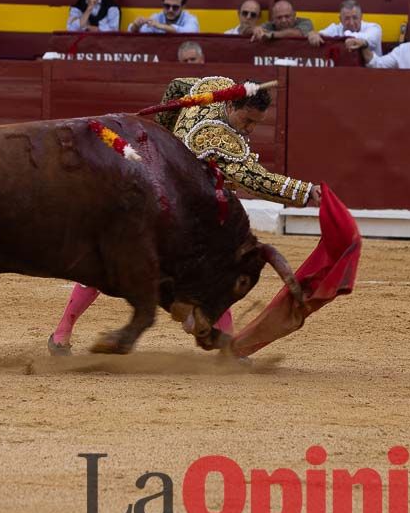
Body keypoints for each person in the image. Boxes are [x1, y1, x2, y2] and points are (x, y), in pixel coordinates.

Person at [47, 74, 319, 354]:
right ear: (231, 106)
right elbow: (254, 179)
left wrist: (161, 138)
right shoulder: (216, 137)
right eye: (247, 120)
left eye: (255, 123)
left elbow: (177, 86)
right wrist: (305, 190)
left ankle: (61, 334)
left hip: (156, 190)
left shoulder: (213, 87)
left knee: (109, 260)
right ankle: (220, 342)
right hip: (175, 210)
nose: (249, 129)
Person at [308, 0, 384, 55]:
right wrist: (313, 34)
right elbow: (319, 34)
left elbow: (368, 38)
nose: (351, 23)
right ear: (340, 19)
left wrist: (346, 35)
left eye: (355, 18)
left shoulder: (374, 28)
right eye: (347, 18)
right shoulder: (335, 28)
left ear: (361, 17)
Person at [128, 0, 199, 33]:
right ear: (162, 4)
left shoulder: (190, 19)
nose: (170, 10)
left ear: (183, 7)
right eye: (167, 6)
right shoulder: (157, 17)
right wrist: (136, 26)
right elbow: (140, 31)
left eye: (175, 7)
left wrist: (160, 26)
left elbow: (190, 32)